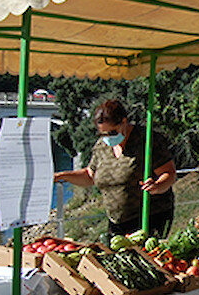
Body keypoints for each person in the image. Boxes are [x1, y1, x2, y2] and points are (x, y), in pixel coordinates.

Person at [54, 99, 178, 238]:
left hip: (150, 217)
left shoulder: (147, 140)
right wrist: (62, 176)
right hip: (116, 222)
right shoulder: (101, 146)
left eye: (112, 132)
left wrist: (157, 186)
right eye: (103, 134)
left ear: (124, 122)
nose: (108, 138)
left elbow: (169, 173)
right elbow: (90, 176)